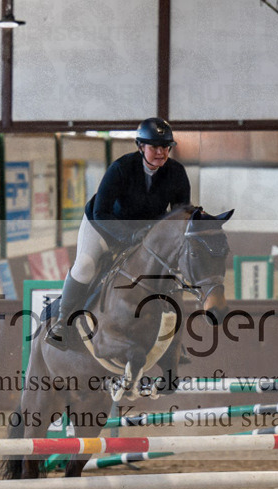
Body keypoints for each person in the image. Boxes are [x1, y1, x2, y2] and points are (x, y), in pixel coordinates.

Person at [46, 117, 191, 350]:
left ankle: (172, 340)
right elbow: (101, 211)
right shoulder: (121, 168)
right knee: (84, 265)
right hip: (104, 226)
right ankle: (63, 322)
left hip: (146, 234)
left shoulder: (176, 173)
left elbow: (179, 215)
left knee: (168, 276)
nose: (161, 152)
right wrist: (127, 236)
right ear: (140, 146)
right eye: (155, 147)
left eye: (166, 147)